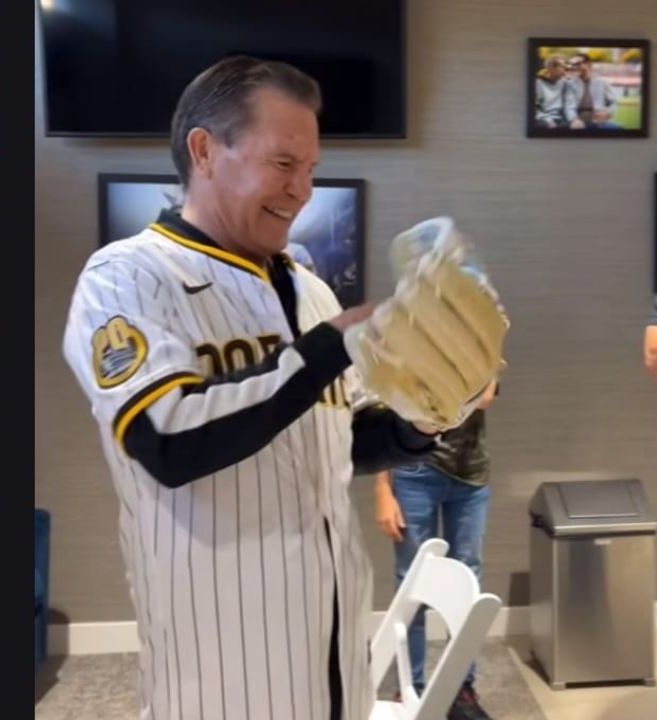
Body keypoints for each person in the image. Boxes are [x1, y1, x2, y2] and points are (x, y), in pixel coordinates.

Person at [61, 56, 441, 720]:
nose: (301, 191)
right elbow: (167, 439)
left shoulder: (313, 287)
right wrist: (331, 346)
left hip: (335, 657)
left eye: (311, 170)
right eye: (284, 164)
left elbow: (343, 434)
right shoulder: (127, 277)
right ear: (205, 151)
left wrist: (423, 420)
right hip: (221, 675)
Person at [374, 379, 498, 720]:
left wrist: (428, 396)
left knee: (468, 583)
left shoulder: (485, 335)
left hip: (471, 475)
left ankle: (461, 688)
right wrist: (383, 492)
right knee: (411, 585)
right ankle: (407, 685)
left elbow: (485, 398)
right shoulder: (408, 334)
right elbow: (386, 408)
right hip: (413, 474)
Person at [564, 53, 621, 129]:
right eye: (573, 65)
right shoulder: (570, 84)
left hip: (599, 123)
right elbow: (569, 106)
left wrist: (607, 113)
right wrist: (574, 119)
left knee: (620, 130)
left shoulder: (601, 82)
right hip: (578, 123)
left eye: (578, 64)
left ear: (589, 65)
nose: (575, 67)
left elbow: (613, 102)